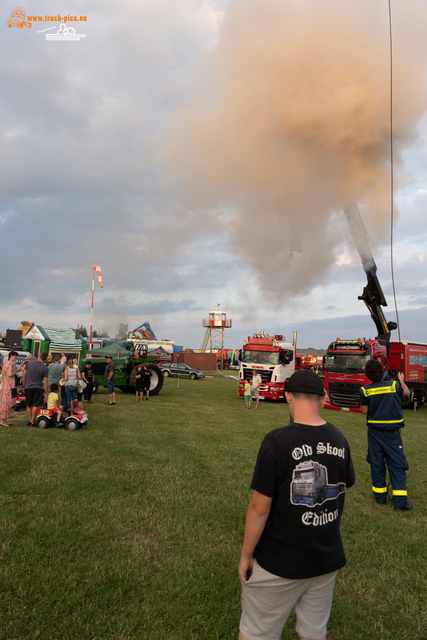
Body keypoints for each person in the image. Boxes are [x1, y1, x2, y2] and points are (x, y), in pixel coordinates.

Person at [238, 370, 355, 640]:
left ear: (287, 395)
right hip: (326, 559)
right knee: (314, 633)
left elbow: (259, 507)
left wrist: (246, 555)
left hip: (279, 563)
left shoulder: (276, 441)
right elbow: (342, 486)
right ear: (323, 400)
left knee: (257, 632)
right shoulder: (339, 439)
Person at [360, 359, 412, 511]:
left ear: (368, 375)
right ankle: (400, 503)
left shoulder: (365, 390)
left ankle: (380, 498)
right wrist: (401, 380)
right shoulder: (394, 385)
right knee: (397, 465)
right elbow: (407, 393)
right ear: (383, 371)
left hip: (374, 433)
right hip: (392, 434)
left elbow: (364, 411)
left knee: (377, 464)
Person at [22, 351, 49, 426]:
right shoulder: (45, 368)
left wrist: (24, 386)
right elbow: (45, 381)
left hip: (28, 386)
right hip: (38, 387)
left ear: (39, 356)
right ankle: (33, 421)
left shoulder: (29, 363)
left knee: (28, 404)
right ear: (45, 359)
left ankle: (30, 420)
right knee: (35, 405)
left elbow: (24, 375)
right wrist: (45, 392)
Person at [0, 351, 19, 427]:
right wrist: (17, 370)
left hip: (5, 384)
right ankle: (2, 420)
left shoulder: (5, 364)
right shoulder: (11, 363)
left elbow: (5, 374)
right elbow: (10, 374)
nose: (16, 357)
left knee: (4, 402)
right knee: (6, 403)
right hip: (9, 384)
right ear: (12, 356)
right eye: (15, 356)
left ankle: (4, 420)